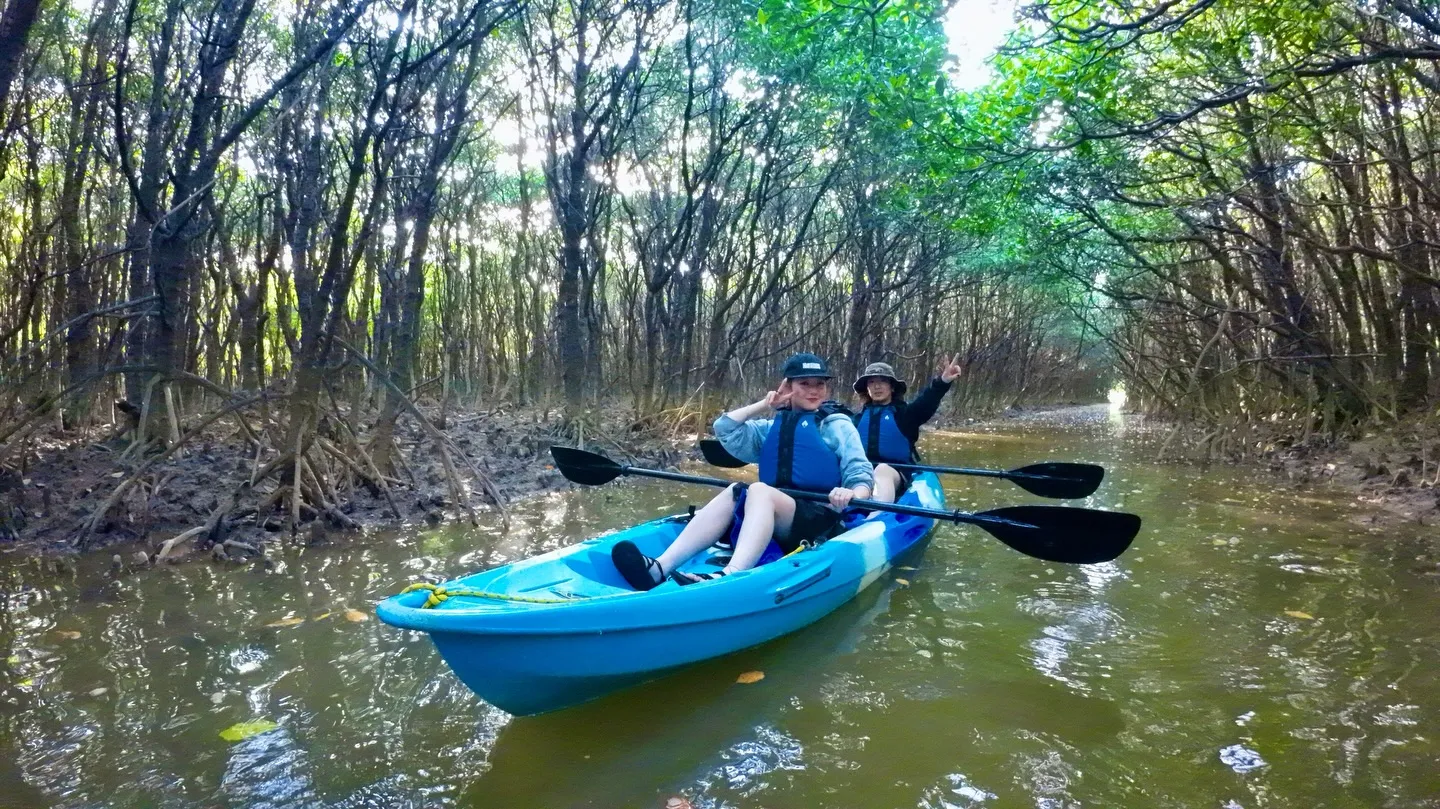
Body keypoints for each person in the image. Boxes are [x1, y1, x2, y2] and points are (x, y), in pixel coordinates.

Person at [611, 352, 873, 589]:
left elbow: (861, 475)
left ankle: (732, 574)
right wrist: (765, 404)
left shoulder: (837, 425)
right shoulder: (771, 428)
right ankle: (660, 568)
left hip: (820, 519)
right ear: (788, 387)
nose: (814, 390)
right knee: (736, 490)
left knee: (758, 490)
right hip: (776, 516)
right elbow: (724, 428)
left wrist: (850, 492)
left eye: (820, 384)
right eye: (804, 384)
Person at [851, 354, 963, 503]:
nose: (877, 386)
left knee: (882, 470)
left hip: (896, 472)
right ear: (867, 388)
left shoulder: (906, 415)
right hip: (862, 474)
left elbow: (926, 401)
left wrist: (942, 382)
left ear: (892, 387)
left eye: (883, 381)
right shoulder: (855, 419)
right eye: (871, 382)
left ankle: (877, 513)